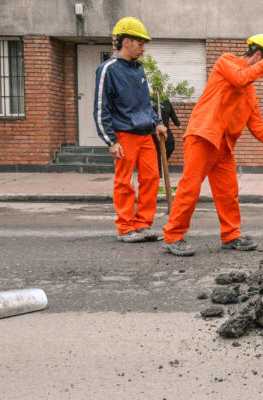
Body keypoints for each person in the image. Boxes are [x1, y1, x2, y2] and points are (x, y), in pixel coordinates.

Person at [162, 34, 263, 256]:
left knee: (228, 193)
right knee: (189, 189)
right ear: (258, 55)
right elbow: (240, 78)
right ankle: (173, 236)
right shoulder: (227, 62)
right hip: (203, 136)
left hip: (224, 146)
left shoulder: (251, 93)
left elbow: (256, 126)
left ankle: (231, 235)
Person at [93, 17, 167, 244]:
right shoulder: (108, 69)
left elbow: (146, 104)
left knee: (152, 179)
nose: (143, 47)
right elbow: (100, 107)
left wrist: (157, 123)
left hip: (145, 135)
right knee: (124, 182)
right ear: (126, 42)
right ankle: (125, 227)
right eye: (140, 42)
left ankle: (142, 224)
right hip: (124, 135)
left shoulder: (139, 69)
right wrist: (110, 141)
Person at [150, 96, 179, 177]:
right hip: (154, 130)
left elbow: (172, 112)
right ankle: (159, 172)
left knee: (171, 145)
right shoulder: (151, 100)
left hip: (165, 129)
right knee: (158, 151)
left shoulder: (165, 100)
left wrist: (177, 123)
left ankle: (162, 164)